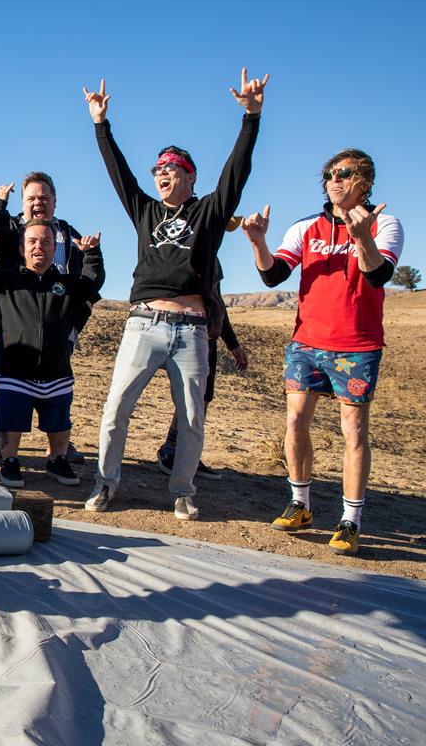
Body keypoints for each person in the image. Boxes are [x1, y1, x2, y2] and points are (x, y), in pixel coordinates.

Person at [83, 68, 268, 521]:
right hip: (143, 324)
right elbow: (118, 175)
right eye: (159, 169)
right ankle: (106, 484)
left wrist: (251, 120)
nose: (162, 174)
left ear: (190, 176)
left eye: (172, 169)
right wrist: (101, 125)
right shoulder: (144, 211)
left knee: (191, 419)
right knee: (115, 409)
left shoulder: (208, 212)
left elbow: (235, 175)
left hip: (191, 331)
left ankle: (182, 491)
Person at [241, 149, 404, 556]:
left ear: (364, 181)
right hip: (306, 342)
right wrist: (259, 242)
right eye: (329, 175)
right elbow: (274, 273)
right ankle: (301, 504)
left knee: (354, 431)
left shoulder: (386, 224)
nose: (334, 180)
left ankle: (351, 520)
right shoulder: (306, 227)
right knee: (295, 420)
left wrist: (362, 235)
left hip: (357, 346)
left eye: (344, 174)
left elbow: (379, 274)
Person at [0, 218, 104, 487]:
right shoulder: (7, 281)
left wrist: (92, 253)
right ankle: (9, 461)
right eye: (32, 241)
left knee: (59, 423)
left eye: (46, 241)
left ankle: (57, 460)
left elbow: (92, 281)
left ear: (55, 248)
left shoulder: (66, 284)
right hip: (15, 372)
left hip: (56, 371)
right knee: (11, 421)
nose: (38, 246)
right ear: (22, 248)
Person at [0, 173, 93, 465]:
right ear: (23, 203)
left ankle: (58, 446)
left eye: (44, 197)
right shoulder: (11, 229)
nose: (38, 203)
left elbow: (86, 282)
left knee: (56, 386)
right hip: (15, 325)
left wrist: (74, 323)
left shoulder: (67, 232)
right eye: (31, 198)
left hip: (57, 327)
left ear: (54, 201)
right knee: (3, 381)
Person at [156, 265, 249, 479]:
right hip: (186, 331)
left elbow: (216, 302)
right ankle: (172, 451)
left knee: (202, 398)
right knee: (191, 396)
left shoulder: (212, 259)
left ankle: (183, 452)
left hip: (209, 336)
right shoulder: (186, 252)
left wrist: (233, 344)